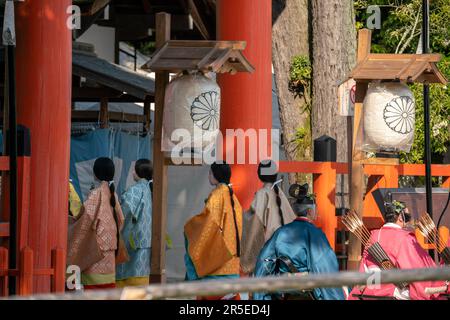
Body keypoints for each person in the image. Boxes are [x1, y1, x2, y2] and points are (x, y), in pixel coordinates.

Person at [253, 183, 345, 300]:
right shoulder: (316, 234)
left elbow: (264, 262)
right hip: (308, 294)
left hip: (285, 293)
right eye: (315, 210)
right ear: (310, 212)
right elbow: (325, 268)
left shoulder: (280, 233)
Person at [348, 200, 445, 300]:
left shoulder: (372, 236)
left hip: (371, 292)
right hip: (393, 292)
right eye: (407, 216)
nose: (408, 220)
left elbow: (364, 267)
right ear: (400, 217)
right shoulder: (405, 238)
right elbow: (415, 268)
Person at [184, 161, 243, 300]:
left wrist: (191, 226)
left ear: (216, 175)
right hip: (232, 261)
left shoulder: (217, 195)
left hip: (218, 264)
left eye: (210, 173)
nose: (209, 175)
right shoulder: (232, 196)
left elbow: (209, 225)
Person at [68, 157, 125, 290]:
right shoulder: (112, 194)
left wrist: (70, 223)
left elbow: (85, 220)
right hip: (110, 250)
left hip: (96, 250)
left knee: (94, 289)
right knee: (108, 289)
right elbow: (121, 219)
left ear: (95, 172)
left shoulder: (96, 194)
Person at [241, 160, 296, 274]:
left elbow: (255, 222)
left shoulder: (263, 194)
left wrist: (237, 215)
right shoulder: (279, 192)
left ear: (260, 175)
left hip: (270, 250)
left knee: (261, 286)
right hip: (286, 249)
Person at [116, 159, 153, 287]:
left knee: (128, 275)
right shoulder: (151, 189)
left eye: (134, 169)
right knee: (142, 275)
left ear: (138, 172)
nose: (132, 172)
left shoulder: (134, 190)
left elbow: (123, 213)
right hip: (147, 239)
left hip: (133, 241)